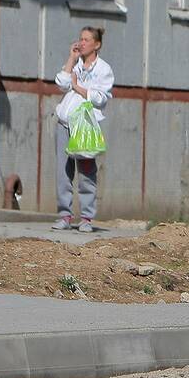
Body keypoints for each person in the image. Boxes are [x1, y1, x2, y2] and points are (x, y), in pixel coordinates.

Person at [51, 27, 114, 232]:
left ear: (97, 44)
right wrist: (71, 59)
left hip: (84, 125)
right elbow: (61, 84)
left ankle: (86, 217)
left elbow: (100, 98)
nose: (82, 43)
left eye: (87, 40)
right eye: (81, 39)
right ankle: (65, 215)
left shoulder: (103, 69)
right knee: (63, 172)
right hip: (64, 123)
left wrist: (77, 87)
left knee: (86, 172)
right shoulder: (76, 64)